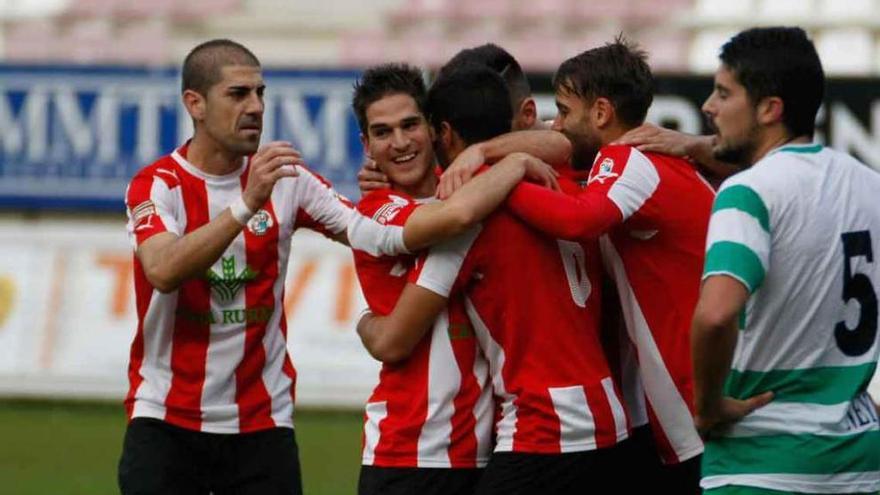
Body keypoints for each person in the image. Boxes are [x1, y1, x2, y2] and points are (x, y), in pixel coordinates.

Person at [441, 38, 715, 492]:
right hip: (675, 404)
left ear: (602, 112)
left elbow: (577, 220)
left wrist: (489, 174)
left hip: (693, 399)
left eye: (566, 111)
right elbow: (554, 148)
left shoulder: (627, 158)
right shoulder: (652, 162)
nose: (558, 125)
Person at [357, 62, 630, 495]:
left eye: (410, 125)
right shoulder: (380, 208)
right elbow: (556, 144)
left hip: (527, 429)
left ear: (437, 131)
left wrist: (366, 324)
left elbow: (391, 338)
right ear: (366, 143)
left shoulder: (476, 204)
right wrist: (513, 159)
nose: (401, 141)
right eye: (383, 132)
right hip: (414, 447)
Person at [118, 39, 354, 495]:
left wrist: (408, 195)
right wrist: (246, 206)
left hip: (262, 422)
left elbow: (370, 235)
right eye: (238, 94)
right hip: (166, 420)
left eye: (260, 93)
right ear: (195, 104)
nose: (255, 107)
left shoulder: (286, 179)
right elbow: (163, 269)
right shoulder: (157, 185)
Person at [691, 26, 880, 495]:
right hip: (860, 460)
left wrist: (709, 406)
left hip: (762, 460)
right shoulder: (868, 185)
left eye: (723, 92)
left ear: (769, 109)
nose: (708, 107)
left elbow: (716, 316)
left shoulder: (748, 192)